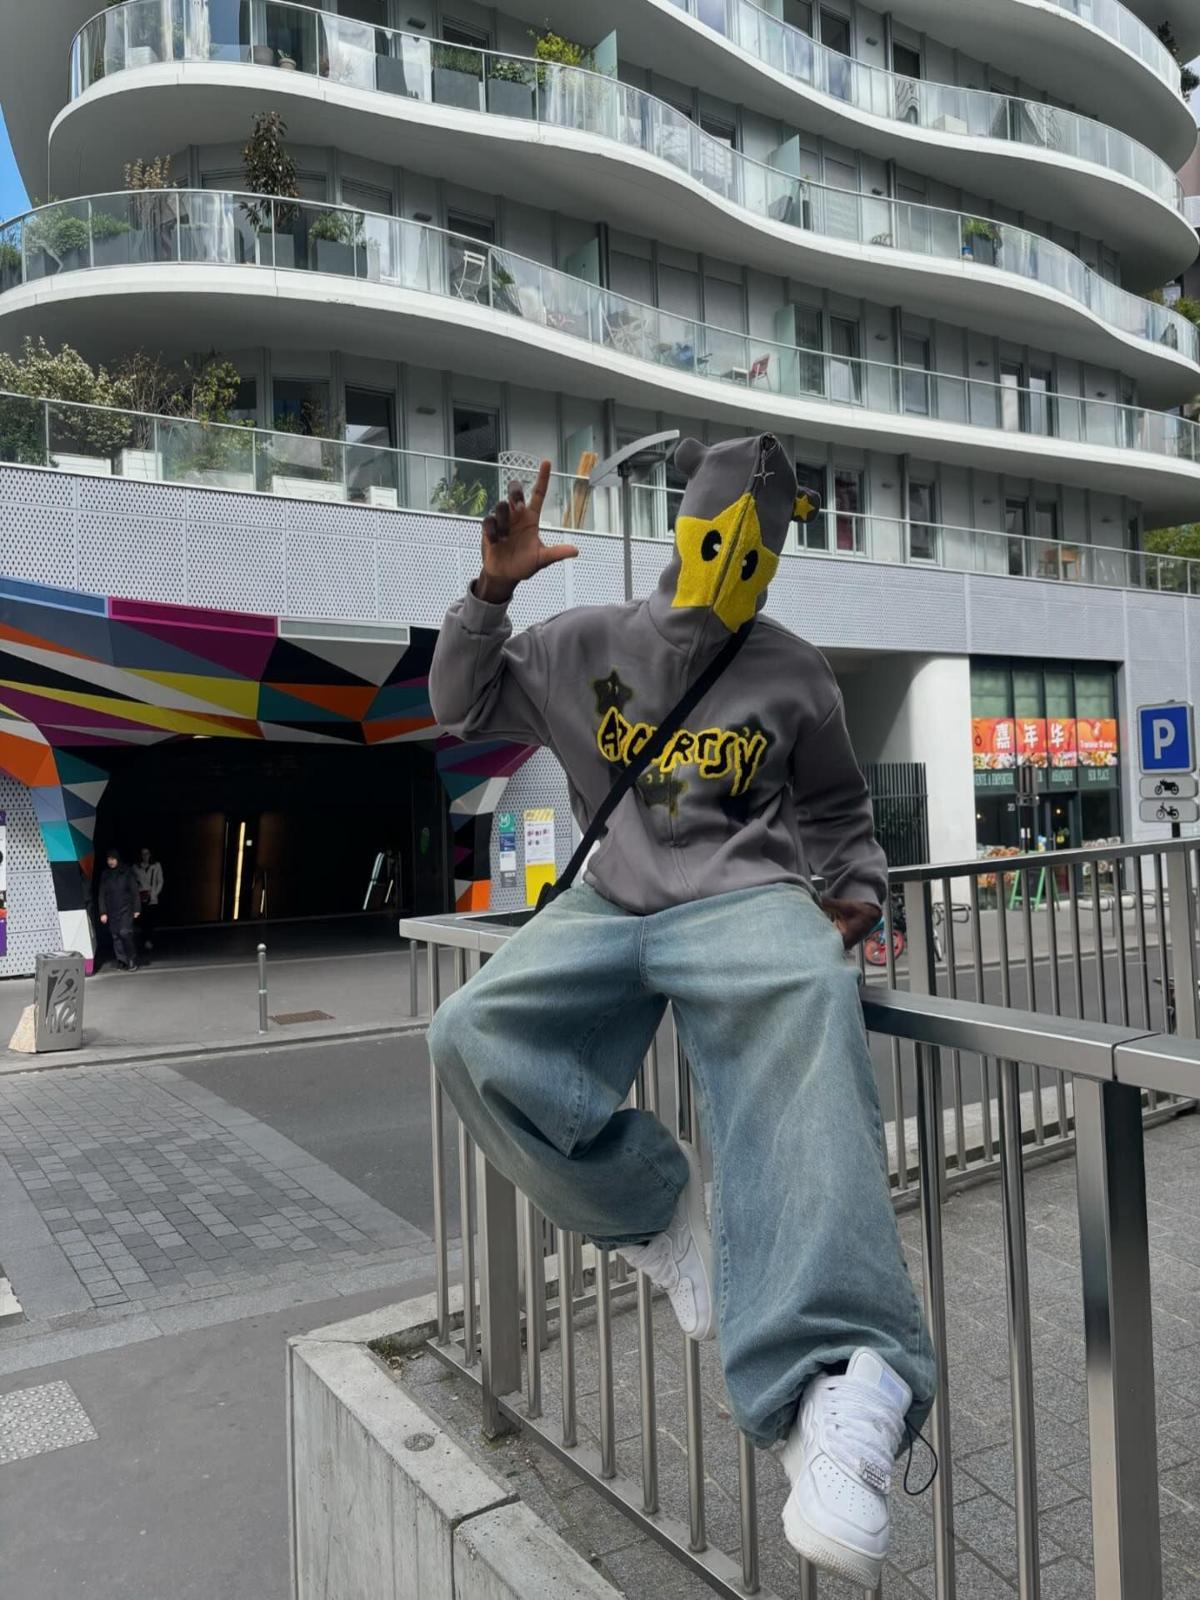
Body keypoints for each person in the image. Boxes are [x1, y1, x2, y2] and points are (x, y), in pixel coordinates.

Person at [427, 437, 935, 1587]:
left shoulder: (795, 672)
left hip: (743, 897)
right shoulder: (584, 643)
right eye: (721, 540)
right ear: (686, 530)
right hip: (610, 897)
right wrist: (492, 590)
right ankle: (658, 1208)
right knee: (468, 1034)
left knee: (812, 994)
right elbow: (458, 704)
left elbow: (840, 811)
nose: (738, 563)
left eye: (762, 551)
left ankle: (844, 1378)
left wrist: (856, 895)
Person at [97, 850, 141, 971]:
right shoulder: (105, 874)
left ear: (117, 859)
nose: (110, 862)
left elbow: (134, 890)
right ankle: (122, 960)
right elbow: (102, 894)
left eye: (113, 859)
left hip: (126, 908)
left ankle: (131, 958)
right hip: (112, 910)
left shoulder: (127, 872)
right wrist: (103, 912)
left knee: (125, 932)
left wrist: (137, 908)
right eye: (108, 859)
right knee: (116, 935)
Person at [133, 846, 164, 952]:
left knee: (151, 920)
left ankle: (150, 941)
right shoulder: (136, 867)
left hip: (152, 898)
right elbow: (133, 882)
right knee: (143, 921)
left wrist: (154, 893)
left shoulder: (156, 866)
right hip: (141, 897)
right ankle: (145, 941)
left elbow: (160, 881)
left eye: (147, 854)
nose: (145, 856)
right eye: (143, 854)